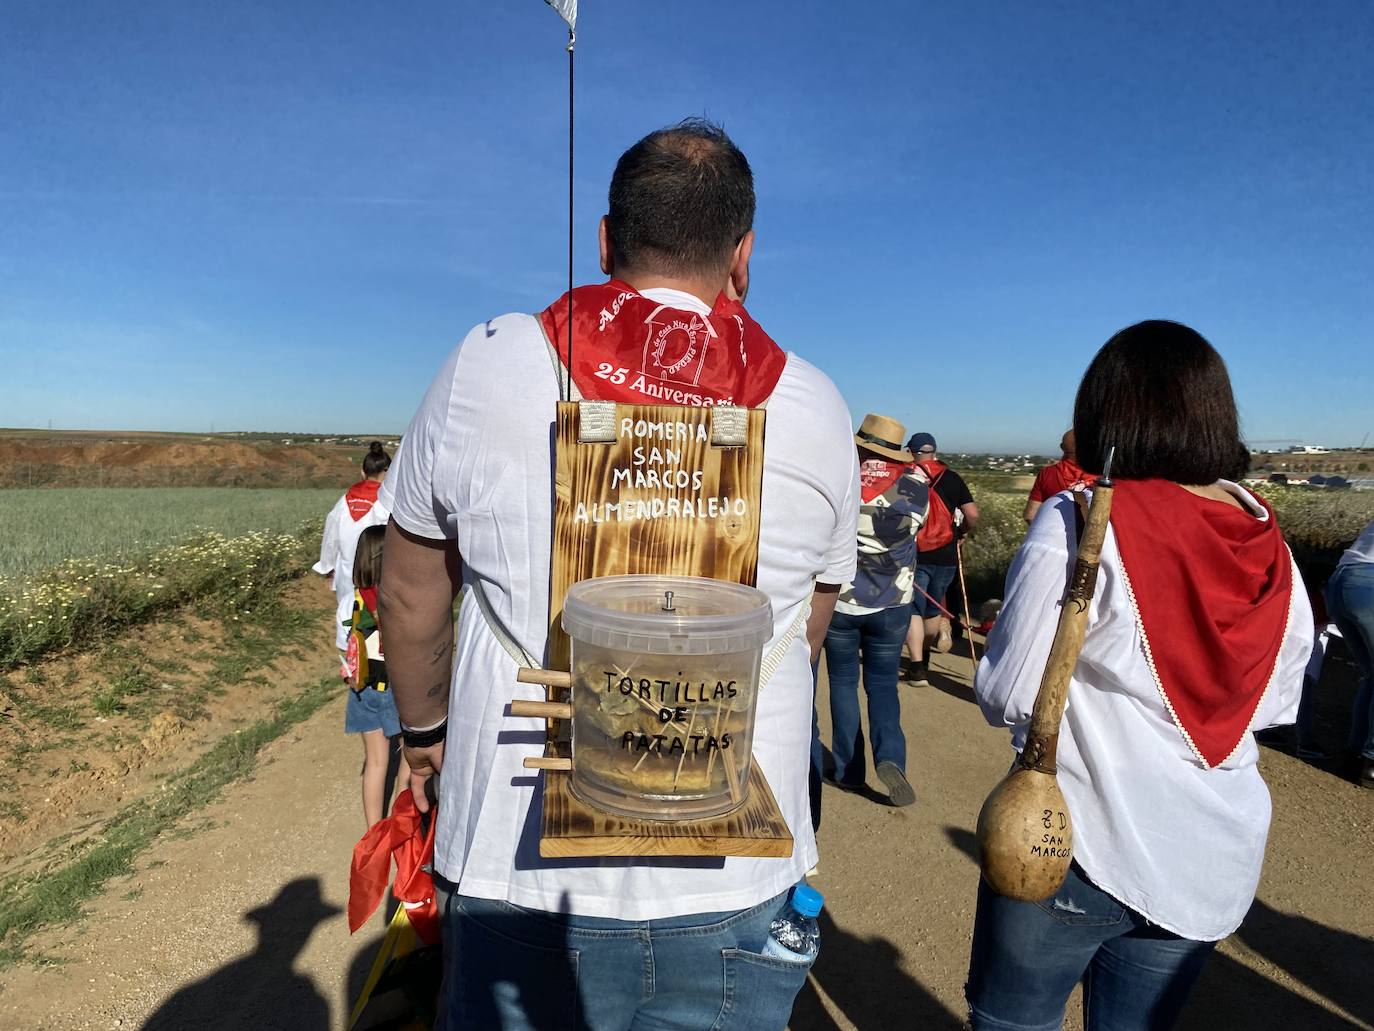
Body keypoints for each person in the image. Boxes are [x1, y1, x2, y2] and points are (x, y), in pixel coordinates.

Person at [379, 119, 859, 1030]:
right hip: (737, 872)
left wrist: (424, 733)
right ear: (743, 253)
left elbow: (408, 589)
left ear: (606, 241)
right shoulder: (817, 403)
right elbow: (810, 625)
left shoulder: (488, 360)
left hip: (517, 870)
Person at [967, 321, 1313, 1029]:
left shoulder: (1083, 513)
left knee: (1013, 1022)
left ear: (1105, 411)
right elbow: (1276, 701)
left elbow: (1009, 692)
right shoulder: (1266, 536)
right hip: (1208, 850)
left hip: (1075, 839)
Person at [824, 413, 928, 807]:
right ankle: (891, 757)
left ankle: (849, 769)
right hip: (893, 604)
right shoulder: (916, 485)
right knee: (883, 686)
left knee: (843, 684)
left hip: (842, 603)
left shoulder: (841, 476)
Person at [343, 525, 411, 827]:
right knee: (409, 758)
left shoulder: (353, 599)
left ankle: (374, 831)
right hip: (399, 686)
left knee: (375, 762)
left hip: (363, 688)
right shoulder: (400, 598)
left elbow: (344, 645)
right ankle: (403, 823)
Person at [903, 432, 978, 686]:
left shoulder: (905, 476)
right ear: (934, 451)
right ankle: (924, 657)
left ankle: (916, 666)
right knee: (934, 608)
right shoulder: (952, 478)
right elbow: (972, 514)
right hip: (946, 552)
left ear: (912, 451)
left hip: (912, 550)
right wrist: (962, 533)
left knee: (914, 607)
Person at [320, 442, 392, 668]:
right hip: (376, 578)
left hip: (346, 576)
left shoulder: (344, 501)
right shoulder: (387, 504)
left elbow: (330, 538)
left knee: (350, 622)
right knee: (377, 626)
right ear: (388, 474)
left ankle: (355, 667)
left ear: (362, 472)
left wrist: (327, 567)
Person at [1326, 517, 1374, 788]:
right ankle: (1371, 762)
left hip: (1342, 581)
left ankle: (1355, 755)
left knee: (1371, 675)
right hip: (1370, 583)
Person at [1023, 429, 1095, 524]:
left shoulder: (1047, 473)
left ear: (1061, 447)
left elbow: (1030, 515)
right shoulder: (1103, 475)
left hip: (1053, 535)